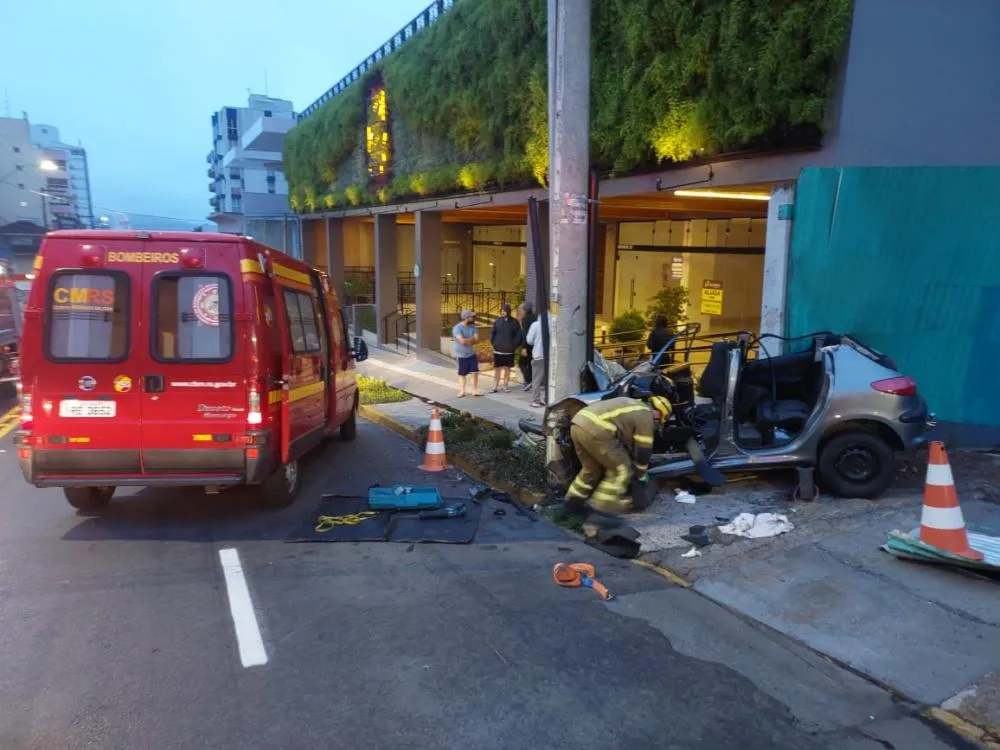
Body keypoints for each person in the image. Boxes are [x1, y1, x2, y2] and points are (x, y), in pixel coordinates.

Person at [564, 395, 673, 515]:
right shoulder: (646, 415)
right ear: (658, 412)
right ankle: (599, 514)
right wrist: (640, 474)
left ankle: (571, 506)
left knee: (591, 469)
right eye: (662, 418)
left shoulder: (634, 404)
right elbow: (643, 449)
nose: (659, 423)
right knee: (622, 470)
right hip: (597, 429)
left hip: (578, 424)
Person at [489, 303, 522, 393]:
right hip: (498, 350)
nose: (503, 312)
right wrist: (494, 343)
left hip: (509, 351)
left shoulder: (514, 322)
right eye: (502, 311)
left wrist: (513, 346)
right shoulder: (498, 321)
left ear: (508, 311)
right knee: (497, 369)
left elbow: (518, 335)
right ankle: (495, 386)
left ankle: (506, 386)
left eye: (505, 311)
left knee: (507, 369)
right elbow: (492, 333)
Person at [452, 310, 483, 397]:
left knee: (475, 372)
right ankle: (462, 391)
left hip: (472, 354)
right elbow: (462, 341)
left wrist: (467, 340)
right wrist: (470, 340)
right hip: (461, 355)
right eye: (472, 317)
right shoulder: (457, 328)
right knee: (462, 374)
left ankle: (475, 390)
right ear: (466, 318)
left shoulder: (473, 327)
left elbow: (477, 340)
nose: (473, 318)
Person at [524, 313, 547, 407]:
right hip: (550, 356)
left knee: (536, 380)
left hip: (538, 355)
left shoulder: (536, 325)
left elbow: (529, 340)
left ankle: (536, 401)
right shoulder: (553, 324)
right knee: (548, 380)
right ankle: (547, 399)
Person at [518, 301, 537, 390]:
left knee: (521, 363)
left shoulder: (525, 319)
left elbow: (525, 334)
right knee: (530, 364)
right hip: (535, 345)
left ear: (525, 310)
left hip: (528, 345)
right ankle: (532, 381)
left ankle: (528, 381)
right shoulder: (535, 317)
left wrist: (524, 347)